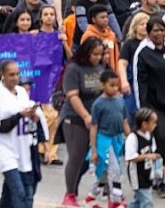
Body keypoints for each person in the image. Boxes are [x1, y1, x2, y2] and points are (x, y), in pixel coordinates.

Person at [133, 16, 165, 198]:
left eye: (162, 30)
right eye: (155, 31)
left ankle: (157, 174)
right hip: (153, 104)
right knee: (162, 137)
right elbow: (139, 82)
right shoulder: (143, 52)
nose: (159, 34)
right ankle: (158, 180)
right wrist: (143, 110)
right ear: (149, 33)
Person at [58, 37, 106, 207]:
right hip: (75, 118)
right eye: (95, 54)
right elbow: (72, 96)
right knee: (76, 156)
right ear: (86, 53)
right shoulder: (74, 69)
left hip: (97, 118)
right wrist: (86, 116)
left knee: (91, 157)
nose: (98, 58)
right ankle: (69, 194)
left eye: (100, 54)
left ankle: (76, 186)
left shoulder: (101, 67)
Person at [0, 60, 40, 208]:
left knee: (19, 191)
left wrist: (32, 116)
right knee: (19, 192)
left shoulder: (21, 92)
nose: (15, 78)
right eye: (11, 74)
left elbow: (27, 116)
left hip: (22, 148)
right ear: (2, 74)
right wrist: (19, 115)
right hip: (4, 149)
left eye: (17, 74)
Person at [87, 69, 131, 207]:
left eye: (116, 85)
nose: (115, 88)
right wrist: (94, 150)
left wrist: (131, 139)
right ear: (102, 85)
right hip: (104, 141)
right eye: (111, 85)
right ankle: (116, 200)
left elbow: (124, 122)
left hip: (117, 140)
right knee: (115, 170)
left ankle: (91, 197)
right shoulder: (98, 104)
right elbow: (94, 127)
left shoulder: (120, 102)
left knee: (105, 172)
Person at [125, 108, 160, 208]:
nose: (155, 125)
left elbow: (153, 151)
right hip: (137, 174)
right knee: (147, 201)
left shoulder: (150, 136)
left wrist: (158, 164)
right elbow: (131, 157)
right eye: (153, 123)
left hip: (147, 172)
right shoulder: (133, 137)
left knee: (138, 201)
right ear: (144, 124)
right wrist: (147, 156)